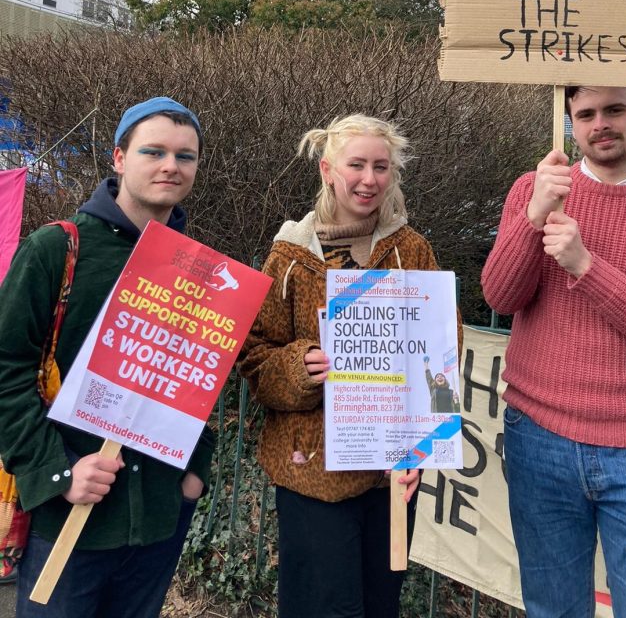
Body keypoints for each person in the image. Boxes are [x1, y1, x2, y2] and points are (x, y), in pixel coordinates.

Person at [481, 85, 626, 618]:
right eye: (586, 114)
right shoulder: (535, 189)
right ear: (571, 124)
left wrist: (585, 265)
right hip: (540, 437)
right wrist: (533, 217)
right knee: (553, 609)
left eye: (615, 110)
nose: (601, 123)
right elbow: (501, 296)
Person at [0, 97, 214, 618]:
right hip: (67, 518)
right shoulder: (55, 250)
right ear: (119, 158)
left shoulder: (200, 270)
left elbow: (203, 377)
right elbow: (5, 371)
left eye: (185, 156)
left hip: (159, 519)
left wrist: (197, 469)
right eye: (154, 151)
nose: (170, 165)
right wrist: (57, 473)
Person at [239, 114, 445, 618]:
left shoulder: (411, 250)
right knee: (325, 607)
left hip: (390, 471)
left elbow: (440, 352)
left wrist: (419, 449)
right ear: (328, 169)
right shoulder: (289, 255)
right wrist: (297, 367)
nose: (369, 179)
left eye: (381, 166)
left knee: (380, 605)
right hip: (311, 472)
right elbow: (254, 355)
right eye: (357, 164)